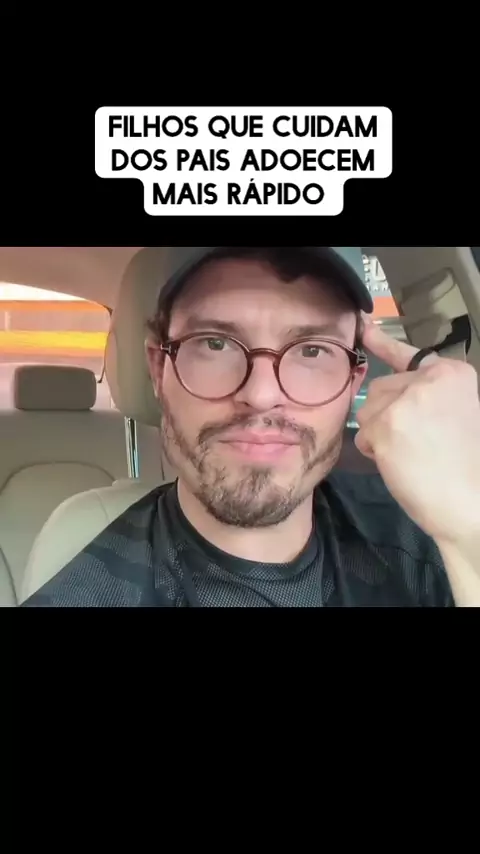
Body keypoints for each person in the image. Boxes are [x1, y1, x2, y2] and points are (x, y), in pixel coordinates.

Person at [22, 246, 480, 607]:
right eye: (215, 344)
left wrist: (467, 529)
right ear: (159, 369)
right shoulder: (88, 596)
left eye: (312, 350)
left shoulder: (432, 533)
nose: (261, 394)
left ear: (354, 380)